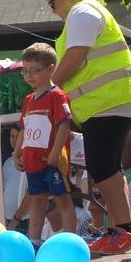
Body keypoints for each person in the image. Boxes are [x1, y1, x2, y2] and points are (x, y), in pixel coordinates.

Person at [40, 0, 131, 256]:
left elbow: (75, 58)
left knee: (103, 167)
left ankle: (124, 230)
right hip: (111, 102)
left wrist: (49, 89)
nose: (52, 9)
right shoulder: (85, 13)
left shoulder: (82, 13)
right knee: (109, 168)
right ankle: (120, 230)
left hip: (110, 102)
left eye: (52, 2)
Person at [15, 43, 77, 247]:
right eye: (25, 70)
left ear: (51, 69)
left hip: (52, 162)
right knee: (37, 200)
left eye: (35, 70)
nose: (29, 75)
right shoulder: (29, 100)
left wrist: (55, 154)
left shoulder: (57, 96)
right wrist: (17, 152)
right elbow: (24, 127)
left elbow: (64, 125)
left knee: (62, 200)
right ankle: (34, 241)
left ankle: (70, 240)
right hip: (32, 161)